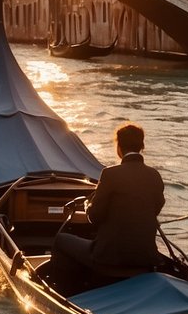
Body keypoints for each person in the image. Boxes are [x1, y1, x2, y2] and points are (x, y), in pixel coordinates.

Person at [50, 123, 165, 292]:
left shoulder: (110, 174)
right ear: (142, 146)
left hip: (110, 258)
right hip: (145, 258)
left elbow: (94, 217)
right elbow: (155, 209)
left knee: (61, 240)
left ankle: (67, 293)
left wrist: (87, 206)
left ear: (119, 147)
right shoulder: (154, 175)